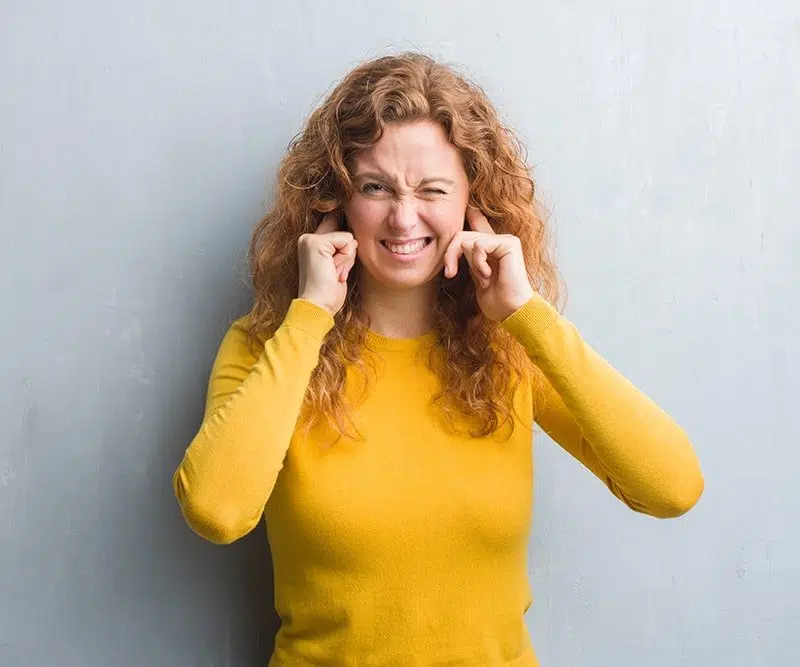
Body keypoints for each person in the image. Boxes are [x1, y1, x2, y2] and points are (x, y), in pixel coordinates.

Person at [172, 51, 704, 666]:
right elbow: (217, 510)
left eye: (433, 190)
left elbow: (671, 487)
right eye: (376, 188)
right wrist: (312, 312)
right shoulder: (270, 343)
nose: (403, 217)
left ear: (472, 202)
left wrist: (526, 314)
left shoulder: (510, 350)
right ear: (336, 202)